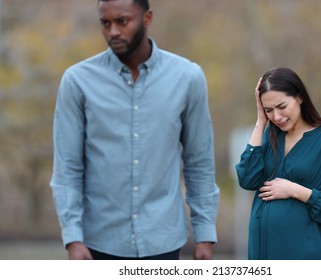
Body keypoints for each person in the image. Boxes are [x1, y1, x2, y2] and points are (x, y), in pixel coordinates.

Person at [50, 0, 219, 260]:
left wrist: (205, 234)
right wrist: (72, 238)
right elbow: (68, 168)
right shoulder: (78, 81)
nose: (113, 31)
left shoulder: (187, 77)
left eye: (122, 21)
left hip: (163, 242)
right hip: (98, 245)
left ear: (147, 18)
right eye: (105, 23)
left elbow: (199, 161)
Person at [235, 67, 321, 260]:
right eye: (269, 110)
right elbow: (247, 179)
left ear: (300, 97)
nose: (277, 117)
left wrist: (295, 191)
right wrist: (260, 122)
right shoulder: (270, 135)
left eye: (282, 106)